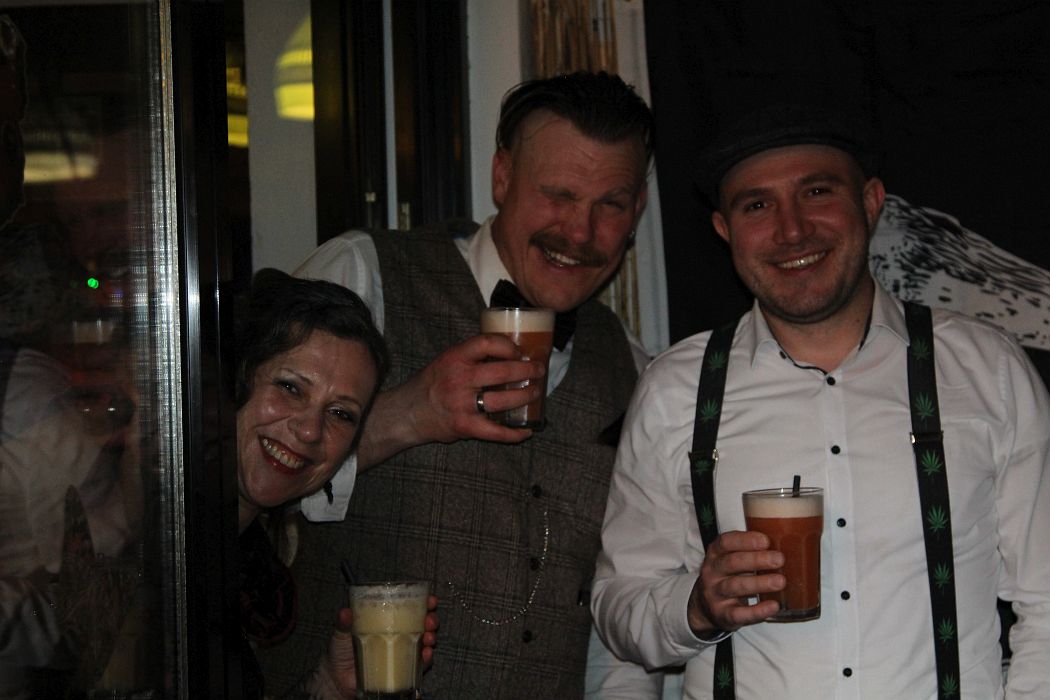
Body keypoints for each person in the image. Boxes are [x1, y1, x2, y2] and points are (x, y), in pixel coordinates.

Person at [591, 104, 1050, 698]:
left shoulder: (988, 369)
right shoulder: (676, 389)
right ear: (724, 229)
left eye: (816, 192)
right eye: (757, 205)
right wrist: (696, 607)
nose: (792, 230)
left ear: (871, 201)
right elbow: (619, 603)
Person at [259, 71, 654, 699]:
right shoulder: (363, 274)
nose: (580, 232)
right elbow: (240, 481)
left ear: (637, 211)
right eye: (557, 194)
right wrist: (406, 414)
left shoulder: (631, 363)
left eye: (609, 204)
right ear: (502, 177)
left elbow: (616, 620)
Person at [232, 269, 437, 699]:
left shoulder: (250, 560)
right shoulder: (151, 545)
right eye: (290, 388)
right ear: (239, 379)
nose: (310, 431)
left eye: (341, 414)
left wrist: (329, 684)